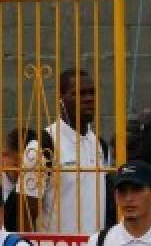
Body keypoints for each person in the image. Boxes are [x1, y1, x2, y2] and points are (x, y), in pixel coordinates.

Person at [21, 68, 111, 234]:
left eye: (92, 93)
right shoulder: (43, 145)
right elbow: (26, 212)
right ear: (61, 99)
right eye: (79, 94)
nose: (89, 99)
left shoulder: (100, 145)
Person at [0, 127, 38, 232]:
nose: (23, 173)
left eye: (28, 167)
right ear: (4, 156)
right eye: (17, 165)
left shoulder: (36, 179)